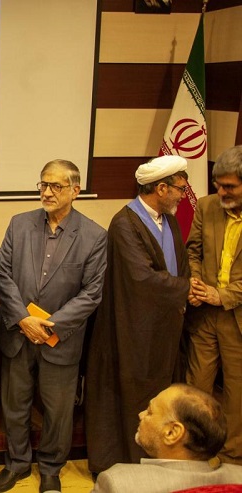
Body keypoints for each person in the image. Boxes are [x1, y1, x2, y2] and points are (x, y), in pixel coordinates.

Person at [0, 159, 107, 493]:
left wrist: (49, 325)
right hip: (18, 333)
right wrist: (23, 319)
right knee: (15, 405)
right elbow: (3, 274)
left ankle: (51, 469)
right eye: (43, 184)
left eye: (56, 186)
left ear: (75, 190)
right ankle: (16, 464)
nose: (47, 192)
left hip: (60, 339)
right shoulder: (19, 224)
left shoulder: (94, 235)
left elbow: (91, 293)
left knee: (58, 411)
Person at [85, 155, 191, 474]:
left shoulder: (170, 220)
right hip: (131, 332)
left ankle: (158, 460)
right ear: (161, 188)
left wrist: (188, 287)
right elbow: (141, 278)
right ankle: (129, 466)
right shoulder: (124, 223)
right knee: (130, 400)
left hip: (165, 330)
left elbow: (180, 266)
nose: (183, 196)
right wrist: (187, 288)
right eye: (179, 189)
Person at [186, 144, 242, 465]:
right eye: (218, 185)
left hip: (237, 318)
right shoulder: (206, 206)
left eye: (229, 187)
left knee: (237, 393)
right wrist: (195, 282)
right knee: (196, 388)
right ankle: (193, 452)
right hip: (204, 316)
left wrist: (222, 295)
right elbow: (192, 251)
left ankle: (232, 458)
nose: (221, 192)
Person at [93, 384, 242, 492]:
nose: (141, 415)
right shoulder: (238, 478)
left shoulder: (118, 483)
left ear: (172, 433)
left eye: (150, 412)